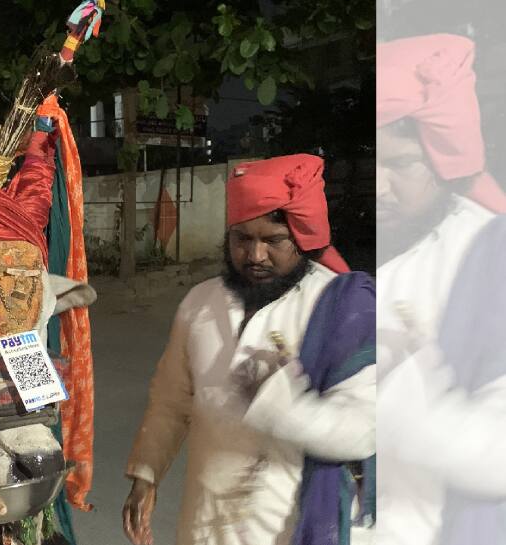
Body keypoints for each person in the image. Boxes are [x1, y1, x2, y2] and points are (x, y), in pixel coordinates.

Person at [122, 154, 376, 545]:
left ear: (301, 239)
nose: (255, 256)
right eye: (242, 239)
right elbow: (170, 401)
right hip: (204, 523)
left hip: (288, 527)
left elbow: (362, 432)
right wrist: (147, 474)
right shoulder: (200, 303)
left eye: (273, 241)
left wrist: (279, 402)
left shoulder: (340, 309)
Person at [376, 33, 506, 545]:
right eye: (375, 161)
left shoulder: (486, 258)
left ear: (444, 157)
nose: (381, 186)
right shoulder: (393, 255)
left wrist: (392, 402)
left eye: (402, 164)